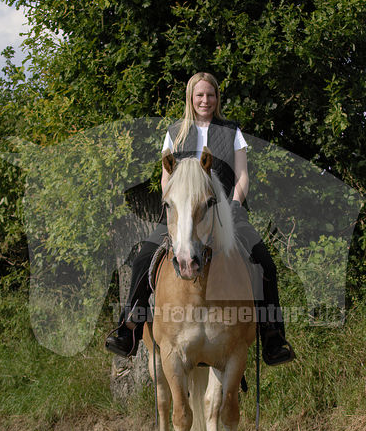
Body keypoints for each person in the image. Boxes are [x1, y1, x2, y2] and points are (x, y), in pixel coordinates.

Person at [106, 72, 295, 365]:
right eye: (199, 95)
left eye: (210, 95)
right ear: (190, 98)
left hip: (226, 213)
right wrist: (174, 206)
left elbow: (242, 176)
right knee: (144, 258)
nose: (205, 100)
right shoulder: (175, 132)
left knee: (264, 261)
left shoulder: (232, 131)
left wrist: (233, 204)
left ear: (217, 98)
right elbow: (165, 178)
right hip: (182, 213)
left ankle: (273, 335)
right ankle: (128, 328)